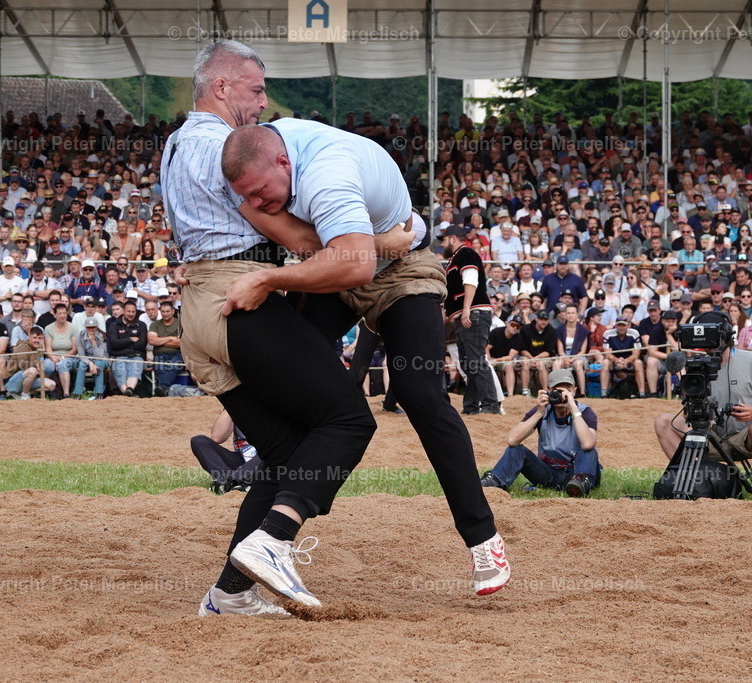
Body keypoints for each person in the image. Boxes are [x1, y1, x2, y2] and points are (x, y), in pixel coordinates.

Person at [159, 41, 443, 618]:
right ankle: (275, 539)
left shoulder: (175, 145)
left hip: (199, 314)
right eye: (256, 90)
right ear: (221, 88)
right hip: (240, 301)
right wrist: (387, 238)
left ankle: (230, 594)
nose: (263, 106)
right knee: (347, 420)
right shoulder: (228, 147)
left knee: (288, 453)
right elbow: (307, 243)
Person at [219, 110, 511, 601]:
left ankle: (484, 539)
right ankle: (238, 580)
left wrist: (275, 274)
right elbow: (311, 243)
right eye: (244, 194)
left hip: (401, 268)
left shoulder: (326, 174)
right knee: (299, 398)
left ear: (284, 161)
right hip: (338, 264)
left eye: (260, 191)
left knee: (420, 395)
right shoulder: (258, 158)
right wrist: (374, 241)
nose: (253, 203)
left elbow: (355, 261)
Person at [652, 310, 752, 499]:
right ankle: (691, 477)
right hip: (712, 435)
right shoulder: (696, 365)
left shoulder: (751, 360)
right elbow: (691, 407)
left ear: (727, 335)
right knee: (663, 421)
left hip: (745, 436)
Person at [480, 369, 600, 497]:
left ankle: (580, 484)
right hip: (548, 473)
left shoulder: (585, 412)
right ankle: (494, 481)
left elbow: (588, 443)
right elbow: (512, 440)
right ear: (548, 390)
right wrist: (538, 413)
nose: (562, 395)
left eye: (567, 391)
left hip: (577, 472)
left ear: (574, 391)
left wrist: (573, 408)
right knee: (516, 449)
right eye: (557, 391)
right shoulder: (541, 411)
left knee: (589, 450)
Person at [441, 226, 502, 414]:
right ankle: (471, 406)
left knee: (475, 361)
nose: (442, 244)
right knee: (469, 363)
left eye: (443, 239)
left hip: (472, 313)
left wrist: (466, 309)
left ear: (452, 238)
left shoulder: (465, 253)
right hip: (466, 315)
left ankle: (491, 405)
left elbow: (471, 280)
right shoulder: (457, 257)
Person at [191, 409, 264, 494]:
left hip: (267, 460)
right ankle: (227, 481)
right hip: (243, 459)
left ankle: (233, 480)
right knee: (199, 441)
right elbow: (217, 437)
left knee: (270, 452)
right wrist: (230, 405)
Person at [106, 299, 146, 396]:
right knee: (120, 370)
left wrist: (122, 344)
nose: (131, 314)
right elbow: (114, 344)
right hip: (119, 357)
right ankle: (128, 393)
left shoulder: (141, 325)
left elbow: (141, 344)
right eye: (129, 311)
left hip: (136, 356)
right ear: (123, 311)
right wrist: (130, 339)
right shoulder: (114, 325)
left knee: (135, 368)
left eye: (133, 312)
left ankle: (128, 391)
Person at [148, 301, 183, 393]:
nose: (165, 314)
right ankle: (164, 389)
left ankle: (162, 387)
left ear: (173, 311)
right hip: (160, 354)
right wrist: (171, 338)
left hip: (177, 354)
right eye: (163, 311)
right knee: (160, 367)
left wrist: (160, 340)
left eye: (167, 311)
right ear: (160, 311)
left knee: (173, 366)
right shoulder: (155, 324)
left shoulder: (180, 323)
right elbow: (152, 341)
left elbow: (181, 343)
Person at [74, 316, 109, 399]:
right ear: (85, 327)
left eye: (93, 327)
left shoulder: (102, 336)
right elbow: (81, 354)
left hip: (101, 359)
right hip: (86, 359)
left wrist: (93, 341)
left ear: (96, 327)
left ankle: (99, 393)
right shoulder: (80, 336)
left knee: (98, 364)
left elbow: (99, 356)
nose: (91, 330)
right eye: (88, 328)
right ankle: (77, 393)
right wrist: (90, 363)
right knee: (82, 365)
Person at [487, 314, 523, 396]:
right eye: (513, 325)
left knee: (509, 365)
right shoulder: (496, 332)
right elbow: (486, 348)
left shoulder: (518, 338)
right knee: (486, 366)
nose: (515, 328)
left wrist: (496, 360)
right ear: (507, 323)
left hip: (504, 360)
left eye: (518, 326)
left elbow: (510, 357)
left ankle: (510, 395)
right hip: (491, 358)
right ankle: (489, 393)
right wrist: (489, 360)